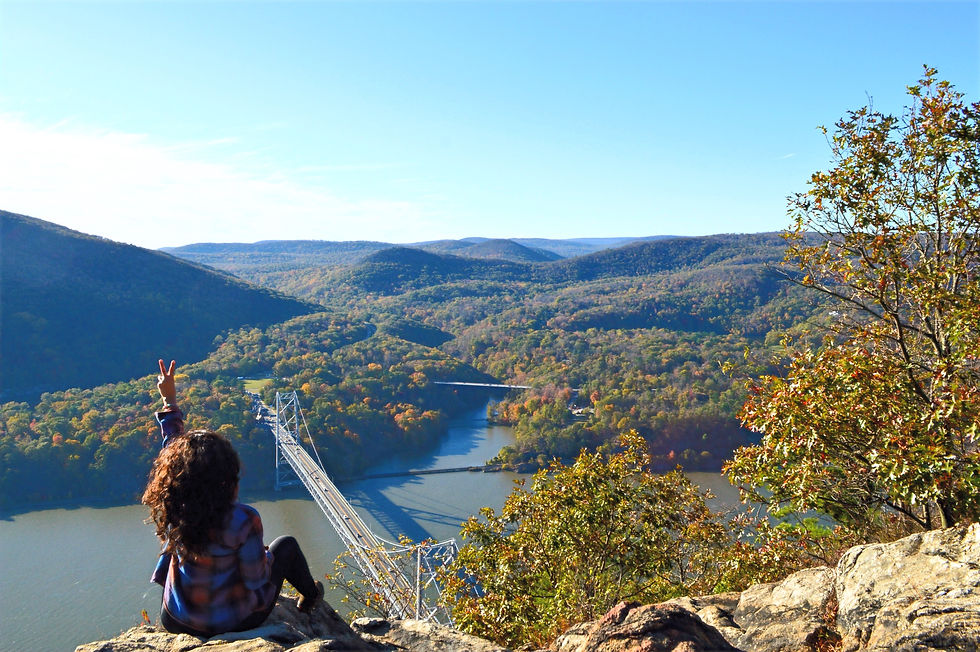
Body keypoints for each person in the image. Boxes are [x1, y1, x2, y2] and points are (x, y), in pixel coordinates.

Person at [143, 359, 324, 637]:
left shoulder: (175, 500)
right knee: (285, 546)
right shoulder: (243, 519)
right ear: (227, 477)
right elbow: (256, 581)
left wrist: (168, 400)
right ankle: (311, 596)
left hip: (176, 619)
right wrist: (263, 556)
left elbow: (173, 450)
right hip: (235, 622)